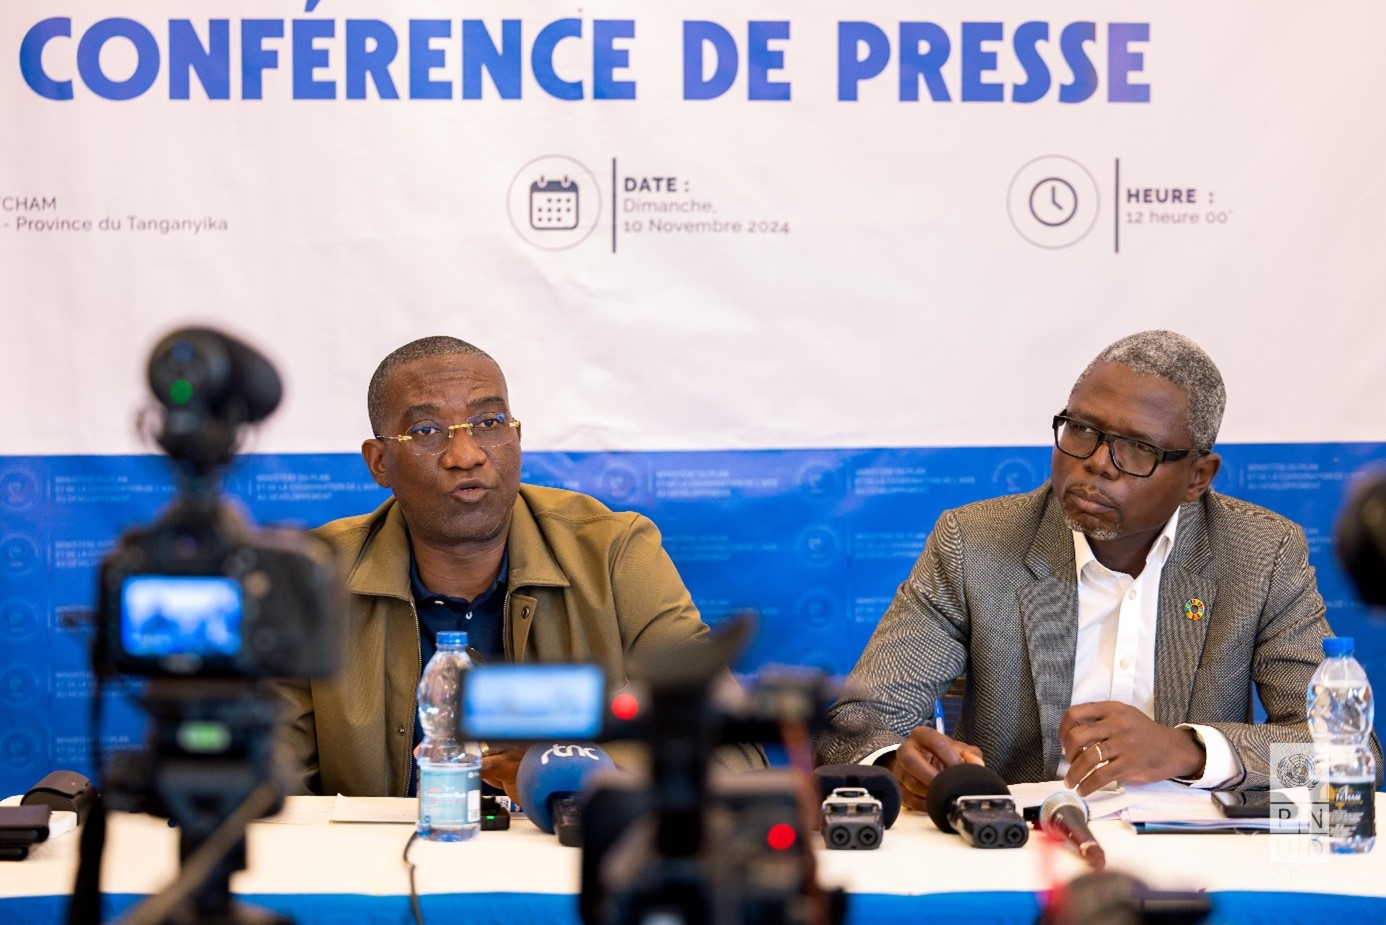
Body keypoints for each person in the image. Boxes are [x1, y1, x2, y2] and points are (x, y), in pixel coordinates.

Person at [814, 330, 1383, 810]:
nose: (1095, 463)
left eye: (1136, 449)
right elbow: (854, 726)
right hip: (1019, 848)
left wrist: (1188, 751)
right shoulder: (975, 543)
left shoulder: (1261, 552)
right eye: (1082, 429)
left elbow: (1349, 763)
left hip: (1196, 857)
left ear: (1197, 477)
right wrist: (895, 762)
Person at [276, 336, 763, 798]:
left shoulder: (613, 551)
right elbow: (266, 781)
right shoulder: (313, 578)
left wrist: (579, 772)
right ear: (379, 462)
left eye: (488, 423)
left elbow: (732, 749)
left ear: (517, 436)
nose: (465, 455)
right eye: (426, 431)